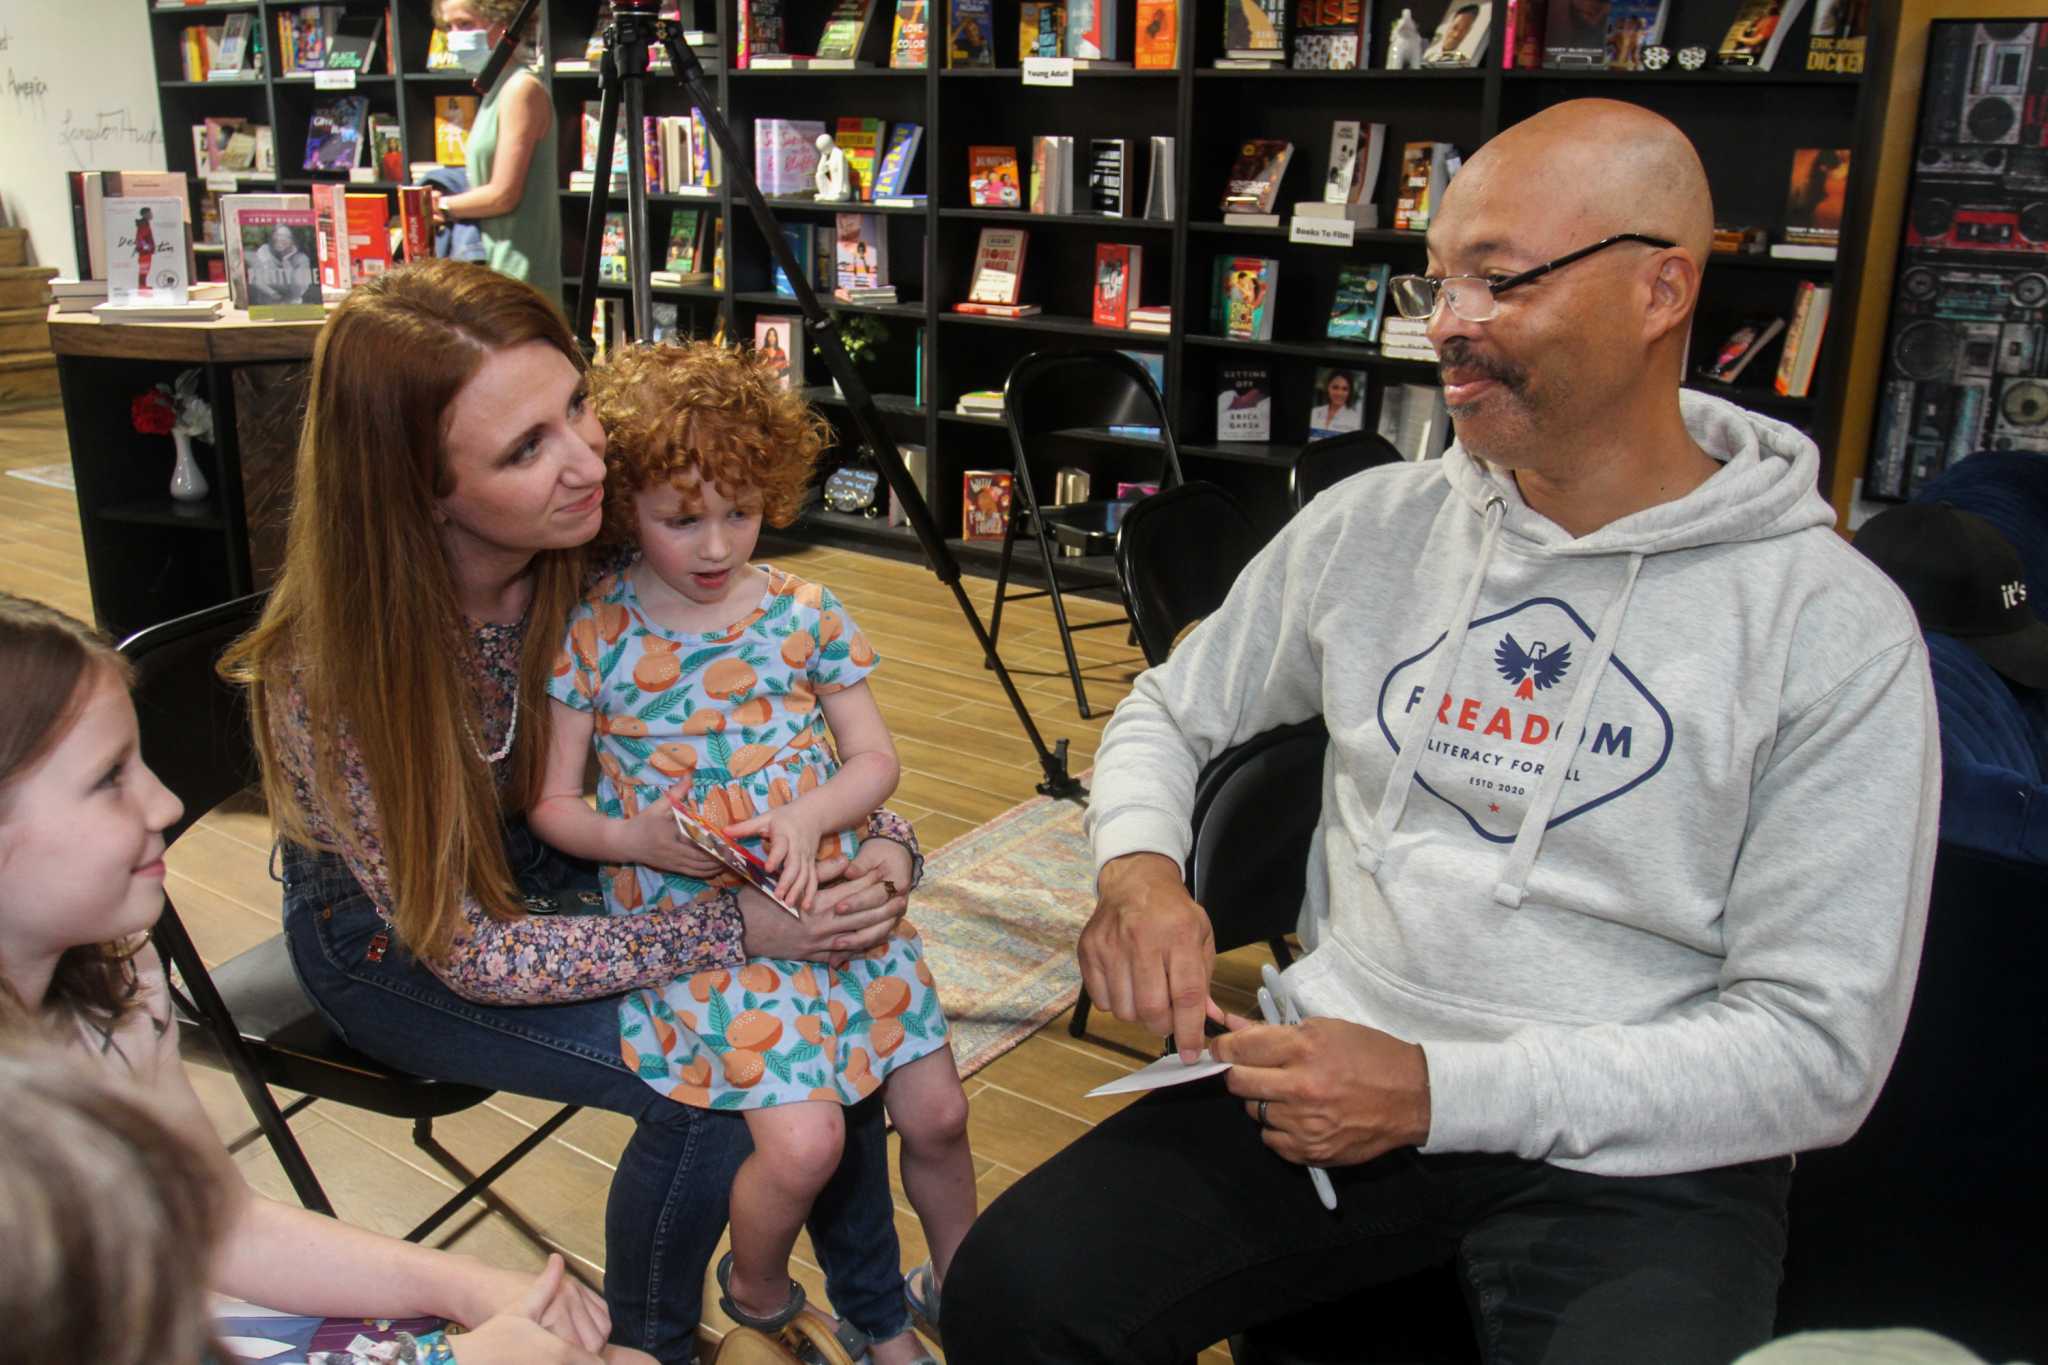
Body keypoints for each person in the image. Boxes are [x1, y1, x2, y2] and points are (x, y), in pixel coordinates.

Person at [945, 98, 1940, 1363]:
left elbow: (1818, 1052)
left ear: (1661, 290)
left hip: (1637, 1150)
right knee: (1017, 1299)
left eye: (1497, 280)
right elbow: (1171, 705)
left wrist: (1437, 1092)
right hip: (1322, 1072)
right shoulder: (1374, 526)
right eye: (1434, 284)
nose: (1447, 327)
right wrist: (1139, 869)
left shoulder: (1828, 624)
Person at [220, 260, 928, 1364]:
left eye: (577, 407)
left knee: (834, 1004)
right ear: (417, 489)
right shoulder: (337, 671)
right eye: (525, 447)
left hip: (596, 868)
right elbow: (465, 951)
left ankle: (873, 1314)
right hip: (400, 943)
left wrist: (882, 846)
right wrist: (737, 927)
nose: (591, 458)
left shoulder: (602, 545)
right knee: (710, 1084)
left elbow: (795, 723)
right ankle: (650, 1345)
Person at [0, 596, 650, 1365]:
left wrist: (469, 1285)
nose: (165, 802)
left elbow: (213, 1223)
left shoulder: (115, 970)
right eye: (109, 777)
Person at [529, 341, 976, 1360]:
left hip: (834, 895)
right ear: (621, 505)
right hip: (704, 939)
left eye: (739, 510)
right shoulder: (595, 631)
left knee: (939, 1112)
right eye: (681, 518)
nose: (716, 543)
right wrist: (633, 836)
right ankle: (756, 1278)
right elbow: (554, 806)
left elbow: (874, 760)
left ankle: (964, 1285)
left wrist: (816, 817)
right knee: (807, 1141)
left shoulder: (801, 612)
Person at [433, 0, 562, 297]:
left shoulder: (521, 89)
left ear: (503, 25)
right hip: (492, 271)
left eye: (465, 24)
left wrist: (440, 206)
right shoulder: (495, 89)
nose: (455, 36)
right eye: (449, 27)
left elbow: (505, 194)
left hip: (518, 274)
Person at [248, 223, 317, 306]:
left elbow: (297, 292)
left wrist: (286, 262)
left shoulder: (302, 259)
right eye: (278, 235)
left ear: (293, 241)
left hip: (292, 306)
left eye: (287, 237)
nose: (281, 239)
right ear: (272, 236)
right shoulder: (264, 251)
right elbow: (256, 280)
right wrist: (272, 293)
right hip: (267, 305)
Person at [1309, 369, 1363, 436]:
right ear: (1328, 388)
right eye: (1335, 387)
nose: (1339, 393)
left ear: (1349, 392)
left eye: (1345, 389)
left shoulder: (1356, 420)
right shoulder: (1314, 412)